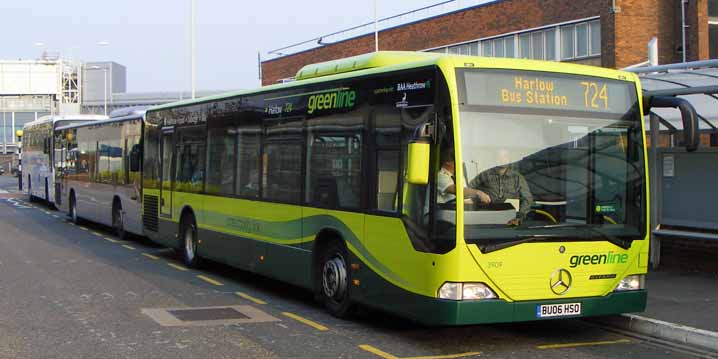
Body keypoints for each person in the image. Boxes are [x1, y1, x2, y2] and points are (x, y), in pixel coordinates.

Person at [468, 148, 533, 225]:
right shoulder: (484, 175)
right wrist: (478, 194)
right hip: (486, 219)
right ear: (495, 159)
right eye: (499, 157)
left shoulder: (517, 178)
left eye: (505, 156)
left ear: (509, 159)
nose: (502, 159)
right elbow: (468, 189)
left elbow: (527, 199)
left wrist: (519, 217)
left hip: (511, 220)